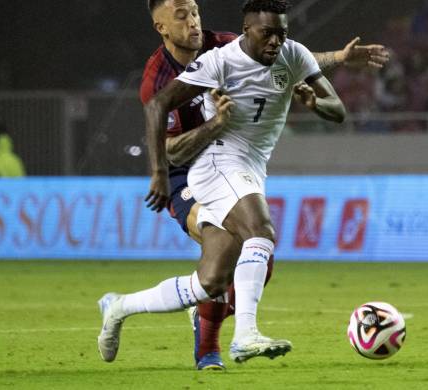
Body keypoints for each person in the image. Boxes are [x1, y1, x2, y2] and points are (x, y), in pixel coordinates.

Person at [98, 0, 386, 370]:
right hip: (196, 165)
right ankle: (237, 338)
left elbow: (319, 89)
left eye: (196, 11)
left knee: (213, 279)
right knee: (260, 232)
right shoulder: (190, 67)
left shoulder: (250, 45)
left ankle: (119, 307)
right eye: (182, 15)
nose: (194, 21)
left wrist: (334, 66)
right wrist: (163, 170)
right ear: (162, 27)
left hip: (247, 165)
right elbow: (163, 127)